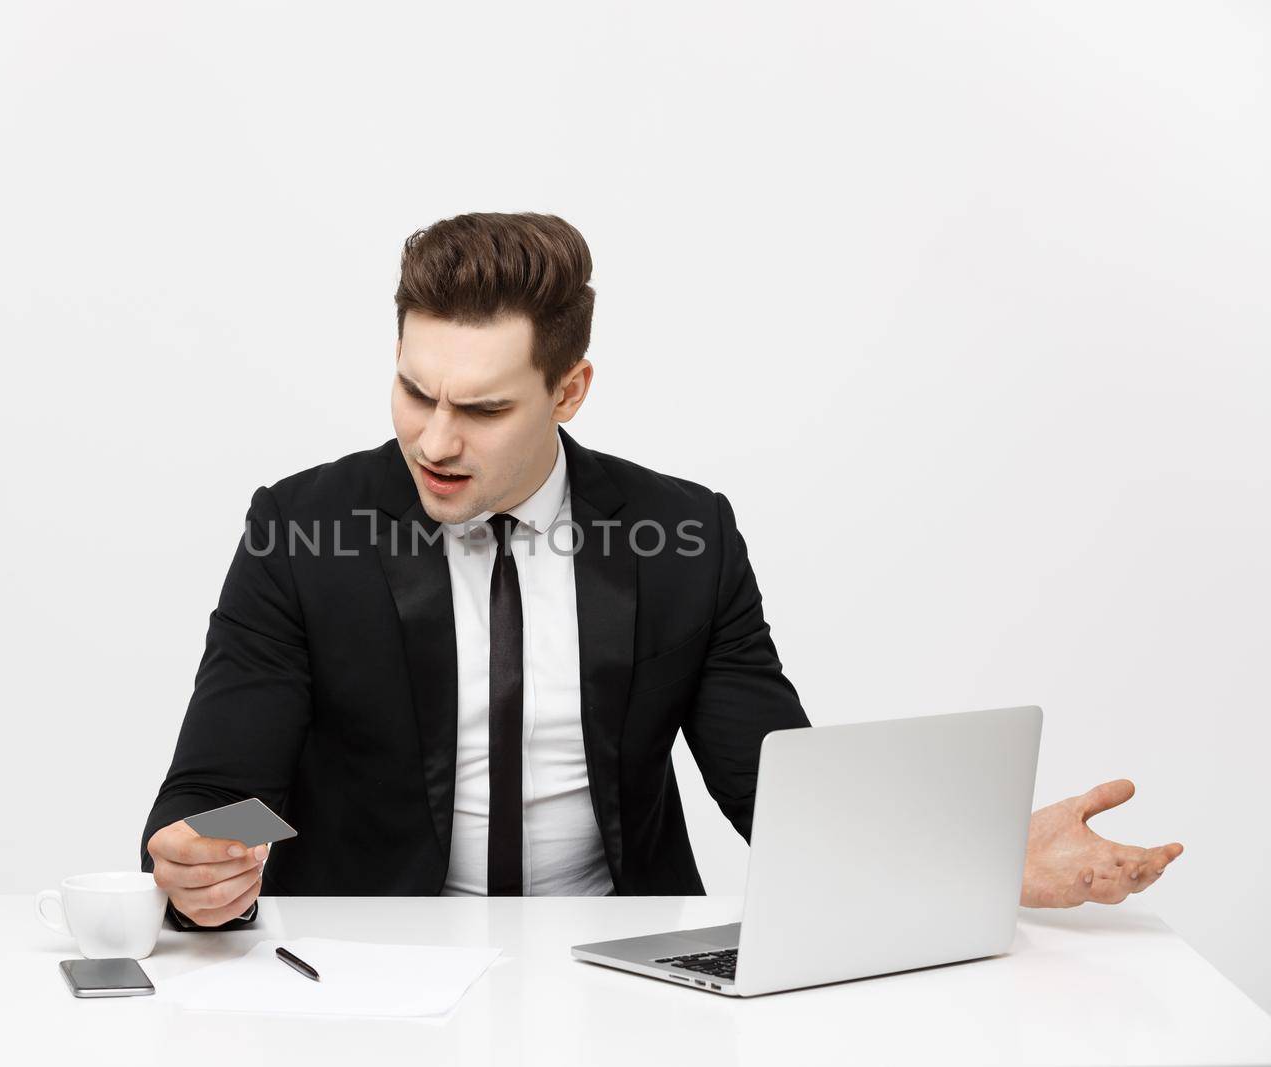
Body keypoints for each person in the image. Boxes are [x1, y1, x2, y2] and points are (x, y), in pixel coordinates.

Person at [140, 212, 1183, 931]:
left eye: (484, 407)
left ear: (571, 388)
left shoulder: (684, 534)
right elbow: (231, 785)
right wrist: (203, 857)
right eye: (415, 391)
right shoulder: (303, 524)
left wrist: (981, 859)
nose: (435, 438)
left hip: (615, 963)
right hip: (371, 963)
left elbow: (775, 790)